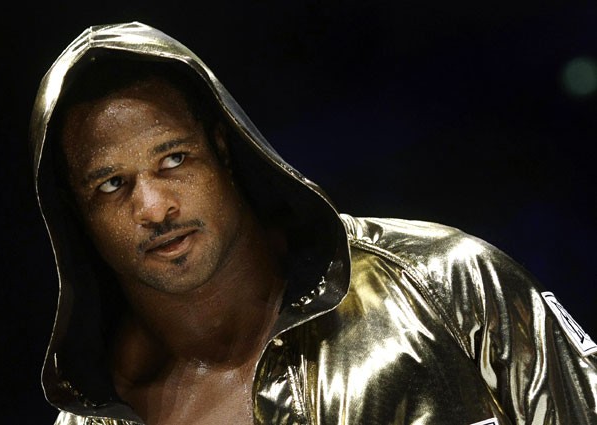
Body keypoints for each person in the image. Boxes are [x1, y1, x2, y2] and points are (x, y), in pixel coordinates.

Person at [29, 21, 597, 425]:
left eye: (174, 159)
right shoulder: (93, 419)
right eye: (111, 184)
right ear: (75, 215)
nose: (154, 208)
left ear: (223, 150)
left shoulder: (446, 284)